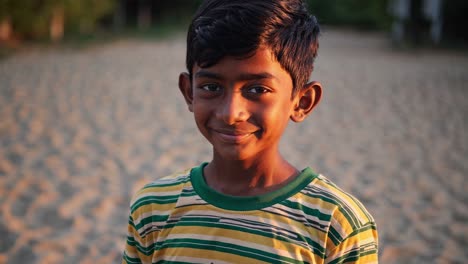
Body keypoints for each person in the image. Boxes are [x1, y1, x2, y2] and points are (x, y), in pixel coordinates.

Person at [122, 0, 379, 263]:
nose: (231, 113)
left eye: (257, 90)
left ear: (302, 102)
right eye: (212, 87)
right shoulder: (153, 208)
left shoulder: (336, 225)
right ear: (189, 92)